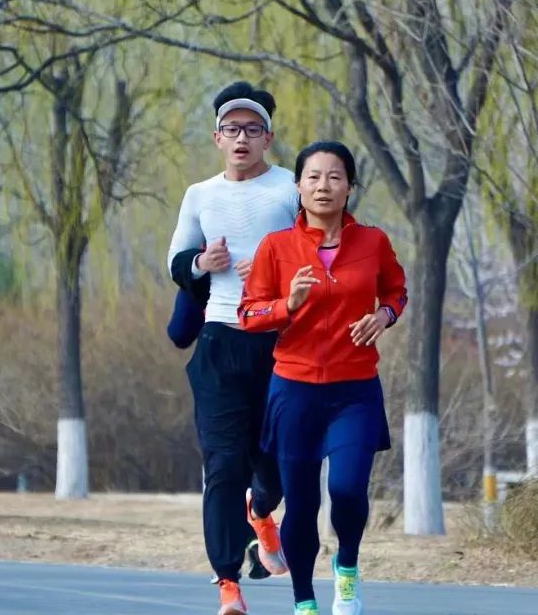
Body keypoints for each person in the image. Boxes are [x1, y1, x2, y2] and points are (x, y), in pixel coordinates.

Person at [239, 141, 408, 615]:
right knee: (302, 503)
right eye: (313, 177)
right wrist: (287, 305)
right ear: (298, 186)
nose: (323, 186)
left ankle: (347, 570)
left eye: (335, 177)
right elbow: (249, 313)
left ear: (350, 186)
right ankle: (305, 601)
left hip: (354, 390)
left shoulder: (373, 242)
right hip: (294, 392)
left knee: (348, 489)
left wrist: (384, 316)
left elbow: (396, 290)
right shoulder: (276, 247)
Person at [166, 81, 298, 615]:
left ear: (268, 137)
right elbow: (176, 261)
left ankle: (261, 512)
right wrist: (203, 263)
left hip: (282, 343)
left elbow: (321, 257)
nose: (241, 138)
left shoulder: (291, 189)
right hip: (220, 341)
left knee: (281, 464)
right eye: (231, 129)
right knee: (222, 465)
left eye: (252, 129)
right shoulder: (200, 195)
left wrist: (273, 269)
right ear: (217, 137)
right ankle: (227, 583)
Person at [166, 246, 271, 582]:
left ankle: (252, 526)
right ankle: (240, 549)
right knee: (234, 464)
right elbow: (179, 331)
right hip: (251, 367)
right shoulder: (284, 251)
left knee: (235, 465)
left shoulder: (217, 260)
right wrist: (199, 267)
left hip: (249, 367)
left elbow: (180, 332)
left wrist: (202, 271)